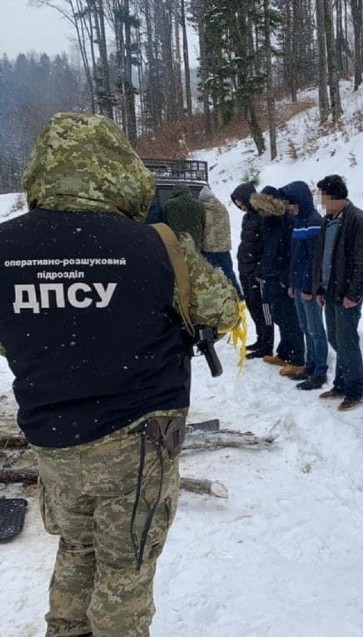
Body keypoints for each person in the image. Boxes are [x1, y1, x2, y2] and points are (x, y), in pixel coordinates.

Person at [0, 112, 239, 636]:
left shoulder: (5, 246)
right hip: (136, 440)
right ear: (118, 169)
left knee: (76, 548)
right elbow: (223, 310)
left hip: (53, 438)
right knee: (125, 569)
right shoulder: (156, 246)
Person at [311, 174, 363, 412]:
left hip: (346, 294)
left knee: (347, 342)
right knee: (335, 339)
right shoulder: (328, 220)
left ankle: (356, 391)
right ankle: (341, 384)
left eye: (323, 196)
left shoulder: (358, 219)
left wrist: (354, 293)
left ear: (334, 196)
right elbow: (322, 256)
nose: (321, 201)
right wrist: (319, 287)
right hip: (329, 291)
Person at [250, 186, 305, 375]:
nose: (261, 213)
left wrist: (286, 280)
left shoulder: (287, 222)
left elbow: (291, 254)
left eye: (264, 208)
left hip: (283, 279)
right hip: (271, 277)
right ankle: (283, 353)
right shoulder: (267, 223)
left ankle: (297, 359)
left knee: (291, 320)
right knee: (280, 318)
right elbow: (268, 249)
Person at [279, 180, 329, 390]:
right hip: (298, 284)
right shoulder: (298, 222)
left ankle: (320, 370)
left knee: (316, 329)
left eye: (291, 203)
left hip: (309, 287)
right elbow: (296, 257)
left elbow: (313, 260)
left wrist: (310, 287)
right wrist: (292, 283)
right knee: (305, 328)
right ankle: (310, 364)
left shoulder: (314, 221)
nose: (289, 208)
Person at [232, 182, 273, 358]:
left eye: (240, 202)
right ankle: (260, 339)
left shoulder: (262, 217)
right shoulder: (247, 217)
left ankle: (267, 344)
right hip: (245, 269)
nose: (239, 206)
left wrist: (259, 269)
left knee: (263, 310)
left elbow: (266, 246)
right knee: (252, 307)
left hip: (257, 272)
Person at [198, 185, 242, 297]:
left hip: (209, 248)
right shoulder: (222, 208)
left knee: (208, 275)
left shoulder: (202, 209)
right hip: (223, 247)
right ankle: (237, 294)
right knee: (229, 273)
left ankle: (210, 296)